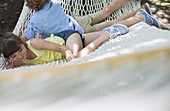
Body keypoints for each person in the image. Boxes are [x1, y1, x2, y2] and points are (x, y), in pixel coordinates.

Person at [0, 24, 129, 69]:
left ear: (23, 44)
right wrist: (14, 65)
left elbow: (62, 48)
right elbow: (20, 61)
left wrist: (68, 54)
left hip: (67, 39)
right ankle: (140, 16)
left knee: (78, 56)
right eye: (14, 56)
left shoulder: (34, 43)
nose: (20, 56)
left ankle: (105, 36)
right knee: (122, 26)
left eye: (20, 50)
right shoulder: (20, 60)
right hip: (75, 43)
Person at [21, 0, 153, 42]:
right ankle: (140, 8)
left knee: (113, 23)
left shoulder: (34, 22)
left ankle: (139, 14)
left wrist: (26, 28)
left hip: (81, 32)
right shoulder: (54, 3)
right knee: (106, 12)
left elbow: (23, 39)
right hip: (79, 21)